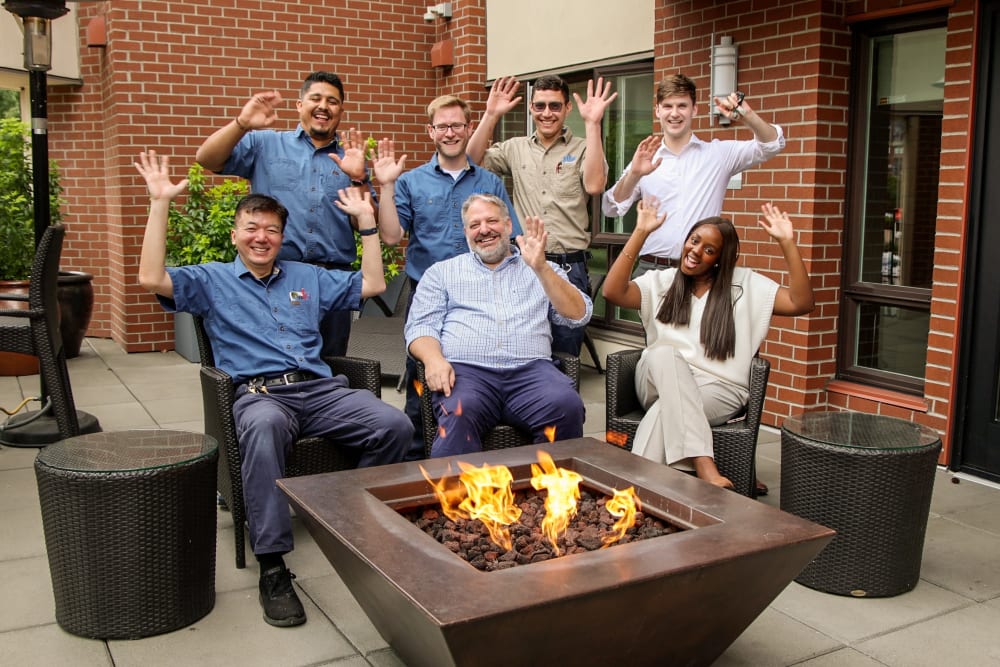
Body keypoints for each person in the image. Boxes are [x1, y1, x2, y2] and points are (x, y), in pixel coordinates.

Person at [135, 151, 412, 628]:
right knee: (262, 433)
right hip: (259, 394)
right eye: (252, 228)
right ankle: (272, 565)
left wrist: (367, 222)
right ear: (235, 234)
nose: (261, 237)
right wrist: (160, 203)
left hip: (319, 389)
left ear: (282, 238)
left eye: (271, 230)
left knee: (394, 424)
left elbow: (372, 283)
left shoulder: (306, 276)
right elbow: (149, 278)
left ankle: (351, 518)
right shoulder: (210, 280)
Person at [602, 199, 814, 488]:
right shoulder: (663, 281)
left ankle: (635, 495)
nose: (695, 251)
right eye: (694, 240)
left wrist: (788, 243)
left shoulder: (746, 286)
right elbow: (612, 291)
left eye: (709, 249)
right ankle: (704, 464)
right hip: (655, 378)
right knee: (664, 353)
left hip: (719, 390)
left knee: (666, 410)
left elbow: (801, 303)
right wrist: (640, 232)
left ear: (719, 258)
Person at [373, 95, 520, 458]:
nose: (450, 132)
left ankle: (468, 452)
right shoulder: (411, 182)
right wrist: (387, 188)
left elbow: (509, 236)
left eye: (457, 125)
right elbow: (392, 236)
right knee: (421, 382)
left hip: (483, 295)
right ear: (431, 131)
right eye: (442, 126)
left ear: (469, 129)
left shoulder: (489, 182)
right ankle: (417, 463)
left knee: (473, 375)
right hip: (427, 294)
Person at [196, 71, 370, 358]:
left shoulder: (352, 157)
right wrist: (241, 124)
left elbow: (362, 219)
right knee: (273, 361)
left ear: (341, 110)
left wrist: (359, 178)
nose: (324, 106)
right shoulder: (265, 144)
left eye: (333, 101)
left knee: (331, 364)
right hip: (274, 277)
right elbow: (207, 158)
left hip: (330, 283)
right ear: (299, 104)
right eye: (315, 98)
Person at [405, 193, 591, 457]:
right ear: (467, 232)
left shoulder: (541, 268)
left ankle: (552, 495)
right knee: (460, 410)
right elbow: (420, 327)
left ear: (508, 225)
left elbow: (578, 315)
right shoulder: (441, 273)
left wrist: (541, 268)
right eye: (474, 225)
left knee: (565, 405)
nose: (484, 230)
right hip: (467, 375)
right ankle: (457, 497)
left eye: (491, 221)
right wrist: (433, 359)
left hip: (532, 373)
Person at [466, 74, 616, 356]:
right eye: (541, 106)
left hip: (570, 268)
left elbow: (595, 185)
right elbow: (471, 161)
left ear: (567, 109)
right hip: (524, 269)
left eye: (555, 106)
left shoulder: (583, 148)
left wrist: (593, 124)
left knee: (566, 353)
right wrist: (490, 114)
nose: (547, 113)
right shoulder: (514, 148)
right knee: (523, 349)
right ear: (532, 108)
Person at [602, 74, 785, 274]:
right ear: (657, 110)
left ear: (694, 109)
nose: (674, 113)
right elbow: (611, 208)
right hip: (651, 270)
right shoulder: (646, 159)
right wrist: (634, 174)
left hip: (700, 270)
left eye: (682, 106)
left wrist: (748, 116)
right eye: (668, 106)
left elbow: (772, 145)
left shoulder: (718, 155)